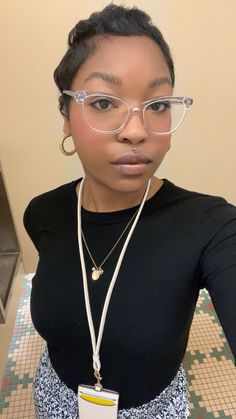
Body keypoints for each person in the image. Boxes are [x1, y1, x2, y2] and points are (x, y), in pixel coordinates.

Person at [23, 4, 236, 419]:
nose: (137, 130)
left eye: (157, 105)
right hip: (54, 397)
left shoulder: (212, 226)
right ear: (66, 115)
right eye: (104, 102)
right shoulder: (43, 214)